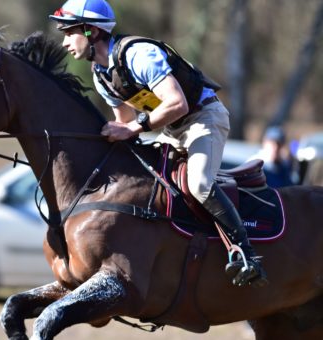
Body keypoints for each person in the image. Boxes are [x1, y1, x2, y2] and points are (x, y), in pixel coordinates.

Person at [49, 0, 267, 287]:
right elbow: (124, 121)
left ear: (90, 31)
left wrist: (133, 128)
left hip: (204, 119)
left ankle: (246, 254)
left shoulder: (139, 54)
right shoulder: (101, 75)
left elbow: (176, 103)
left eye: (69, 33)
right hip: (171, 129)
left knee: (200, 184)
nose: (65, 42)